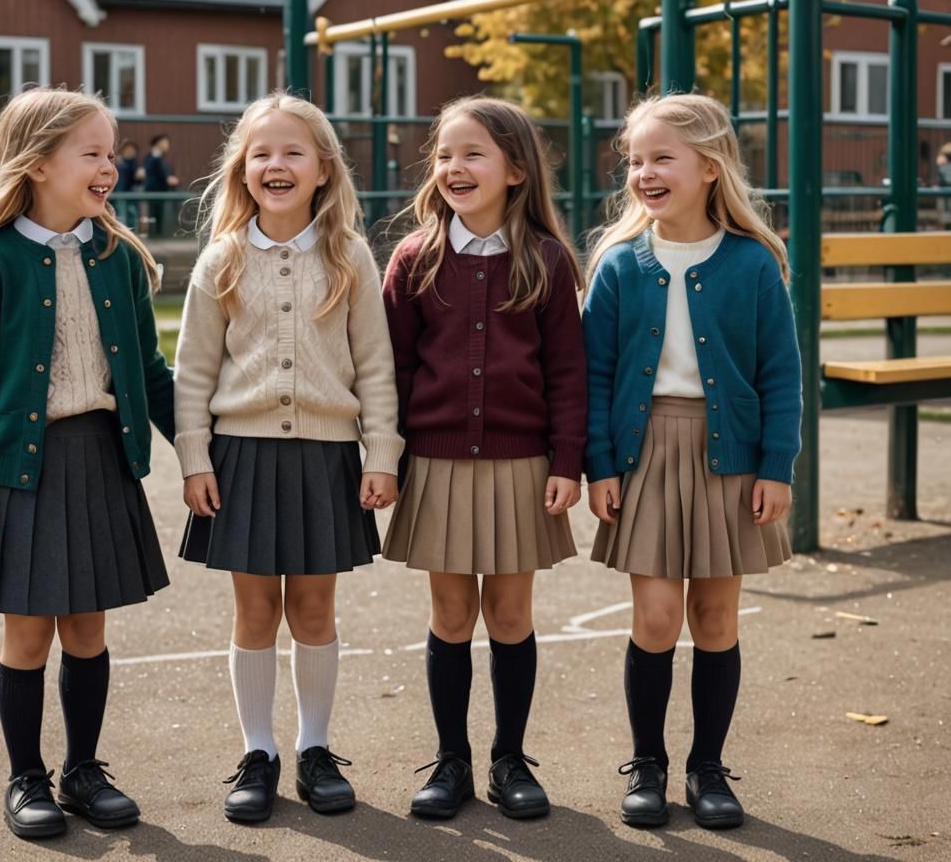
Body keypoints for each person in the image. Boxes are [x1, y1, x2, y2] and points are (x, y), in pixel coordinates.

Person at [0, 87, 175, 840]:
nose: (110, 166)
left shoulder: (118, 255)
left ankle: (82, 770)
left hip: (100, 461)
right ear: (38, 163)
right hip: (20, 473)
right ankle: (26, 777)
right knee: (28, 635)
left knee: (88, 628)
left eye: (112, 152)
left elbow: (150, 369)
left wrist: (198, 446)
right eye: (93, 153)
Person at [173, 92, 402, 824]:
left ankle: (314, 747)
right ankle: (259, 752)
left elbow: (375, 365)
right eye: (262, 152)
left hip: (326, 459)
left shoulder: (352, 256)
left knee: (312, 606)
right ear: (242, 170)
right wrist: (194, 459)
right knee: (254, 610)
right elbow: (193, 372)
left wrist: (382, 452)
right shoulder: (221, 259)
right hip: (239, 458)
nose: (277, 164)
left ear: (324, 169)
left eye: (293, 151)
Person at [582, 93, 802, 831]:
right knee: (654, 616)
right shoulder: (618, 266)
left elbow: (781, 372)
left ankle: (709, 767)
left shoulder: (753, 264)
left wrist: (777, 465)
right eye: (635, 160)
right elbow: (596, 374)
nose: (643, 172)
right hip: (644, 454)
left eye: (661, 158)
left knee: (714, 616)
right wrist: (600, 465)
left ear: (709, 167)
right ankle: (648, 764)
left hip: (728, 457)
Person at [381, 96, 587, 821]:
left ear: (517, 172)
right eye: (444, 155)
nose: (454, 168)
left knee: (509, 612)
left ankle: (508, 760)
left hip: (520, 467)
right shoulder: (414, 258)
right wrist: (388, 458)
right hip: (435, 465)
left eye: (473, 154)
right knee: (450, 613)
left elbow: (567, 371)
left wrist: (567, 461)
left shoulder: (547, 261)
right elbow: (393, 371)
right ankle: (451, 761)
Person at [142, 134, 179, 235]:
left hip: (163, 191)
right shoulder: (152, 157)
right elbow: (149, 171)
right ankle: (152, 235)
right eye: (165, 143)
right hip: (153, 191)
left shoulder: (163, 158)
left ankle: (158, 234)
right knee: (152, 216)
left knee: (160, 216)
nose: (167, 145)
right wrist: (167, 178)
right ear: (159, 143)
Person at [115, 139, 143, 230]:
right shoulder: (118, 163)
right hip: (119, 194)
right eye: (127, 150)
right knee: (120, 214)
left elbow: (137, 181)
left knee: (132, 214)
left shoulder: (135, 164)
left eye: (132, 150)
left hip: (131, 194)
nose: (129, 152)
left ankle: (132, 232)